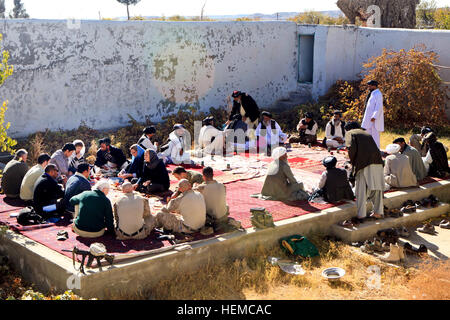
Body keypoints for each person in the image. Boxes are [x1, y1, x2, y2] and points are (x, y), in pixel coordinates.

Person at [345, 122, 384, 220]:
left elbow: (351, 149)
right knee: (377, 189)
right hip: (378, 162)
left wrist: (353, 163)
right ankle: (378, 212)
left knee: (361, 190)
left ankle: (361, 214)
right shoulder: (367, 133)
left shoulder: (350, 133)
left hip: (364, 164)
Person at [361, 80, 384, 149]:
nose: (369, 87)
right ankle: (369, 149)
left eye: (370, 86)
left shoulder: (378, 94)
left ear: (374, 86)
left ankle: (376, 150)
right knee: (368, 134)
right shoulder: (372, 93)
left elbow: (379, 106)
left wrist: (374, 116)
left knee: (375, 135)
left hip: (373, 119)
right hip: (368, 118)